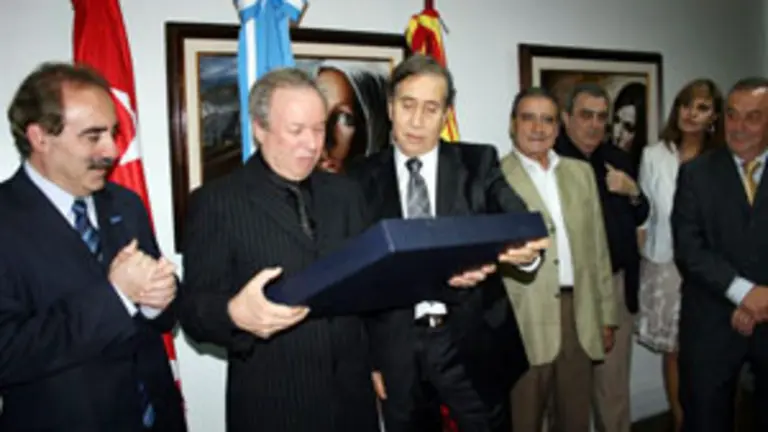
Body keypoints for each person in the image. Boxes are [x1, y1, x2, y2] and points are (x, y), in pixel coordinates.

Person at [347, 53, 546, 432]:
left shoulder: (478, 163)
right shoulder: (359, 178)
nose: (417, 121)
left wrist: (511, 254)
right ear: (390, 107)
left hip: (473, 344)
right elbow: (357, 276)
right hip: (396, 351)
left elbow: (519, 225)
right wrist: (371, 359)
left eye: (431, 108)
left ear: (446, 114)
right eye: (407, 105)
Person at [0, 62, 185, 431]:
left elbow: (162, 317)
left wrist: (158, 300)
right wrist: (115, 296)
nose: (112, 151)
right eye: (93, 136)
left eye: (113, 133)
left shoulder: (125, 204)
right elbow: (7, 353)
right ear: (40, 137)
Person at [500, 87, 617, 432]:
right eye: (528, 118)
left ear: (558, 126)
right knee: (524, 418)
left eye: (547, 119)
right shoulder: (494, 176)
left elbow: (598, 249)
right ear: (513, 125)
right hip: (525, 318)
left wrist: (606, 313)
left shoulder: (580, 173)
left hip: (578, 314)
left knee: (575, 418)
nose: (538, 128)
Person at [672, 77, 768, 432]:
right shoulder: (696, 174)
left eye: (753, 117)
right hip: (711, 322)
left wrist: (764, 300)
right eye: (732, 115)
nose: (739, 127)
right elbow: (689, 247)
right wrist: (744, 293)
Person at [555, 82, 649, 432]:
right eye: (585, 115)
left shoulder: (617, 158)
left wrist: (634, 192)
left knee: (613, 393)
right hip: (571, 293)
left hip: (617, 284)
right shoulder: (552, 162)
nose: (594, 125)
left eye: (600, 117)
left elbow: (642, 214)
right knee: (568, 395)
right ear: (566, 118)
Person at [635, 78, 723, 432]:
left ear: (714, 116)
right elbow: (643, 214)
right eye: (687, 105)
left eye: (702, 107)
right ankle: (680, 421)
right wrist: (648, 255)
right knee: (674, 351)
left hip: (711, 266)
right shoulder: (653, 155)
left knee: (711, 350)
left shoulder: (721, 159)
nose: (691, 113)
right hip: (665, 265)